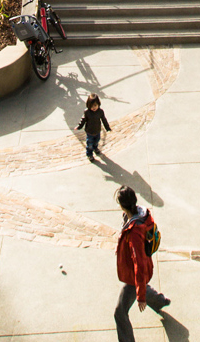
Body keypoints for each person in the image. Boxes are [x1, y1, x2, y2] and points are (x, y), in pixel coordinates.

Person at [113, 185, 169, 339]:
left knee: (120, 312)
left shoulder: (136, 231)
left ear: (123, 205)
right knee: (141, 285)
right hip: (138, 271)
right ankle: (159, 301)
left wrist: (141, 297)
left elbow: (139, 263)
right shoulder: (137, 215)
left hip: (134, 274)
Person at [78, 94, 111, 162]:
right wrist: (79, 127)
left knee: (97, 141)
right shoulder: (87, 112)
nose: (93, 108)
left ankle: (95, 148)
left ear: (98, 104)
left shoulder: (100, 112)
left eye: (95, 105)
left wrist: (107, 128)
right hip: (90, 132)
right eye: (91, 106)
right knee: (89, 144)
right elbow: (83, 120)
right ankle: (89, 154)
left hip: (97, 130)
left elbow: (104, 120)